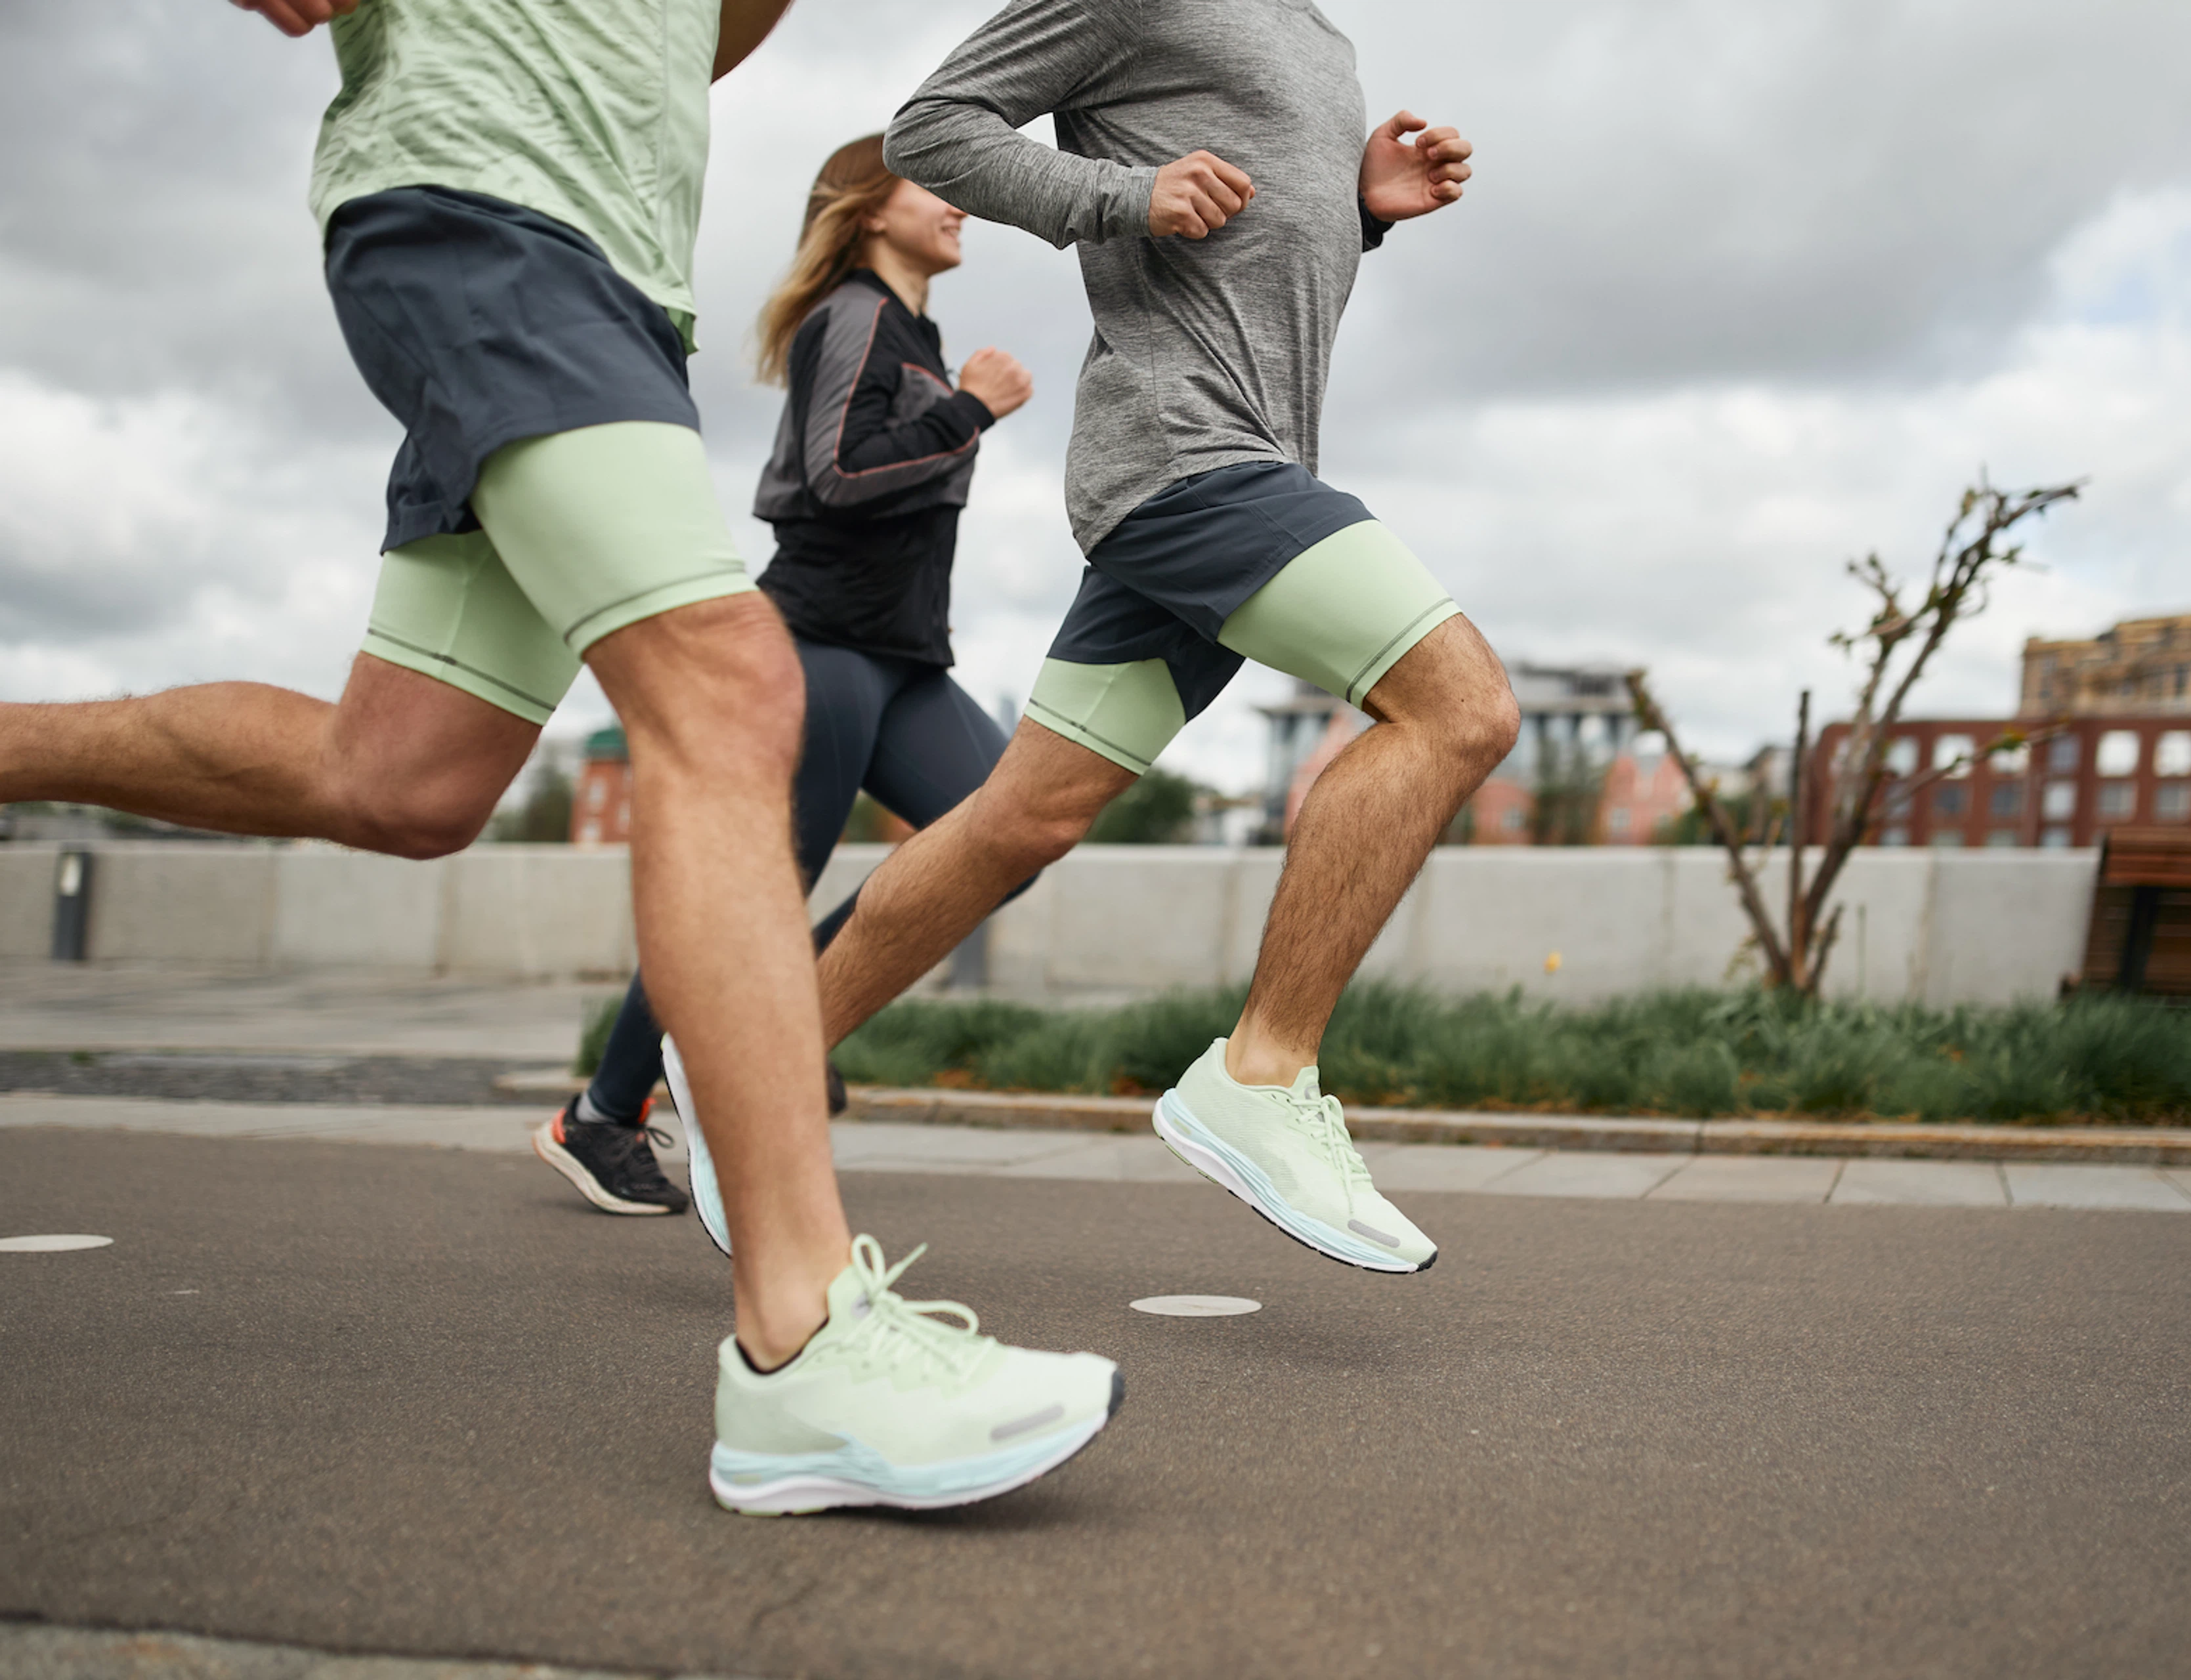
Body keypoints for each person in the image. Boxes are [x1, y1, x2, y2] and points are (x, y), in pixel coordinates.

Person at [11, 0, 1120, 1515]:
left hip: (610, 280)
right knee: (731, 690)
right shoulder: (863, 321)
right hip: (480, 205)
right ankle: (801, 1349)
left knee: (399, 779)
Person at [682, 0, 1520, 1276]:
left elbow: (1257, 260)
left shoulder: (1324, 44)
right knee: (1462, 709)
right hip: (1187, 463)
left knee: (1020, 819)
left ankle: (758, 1057)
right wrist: (1125, 195)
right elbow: (932, 129)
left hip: (1229, 465)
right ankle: (1262, 1071)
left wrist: (1361, 212)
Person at [536, 135, 1035, 1244]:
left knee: (1005, 831)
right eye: (933, 188)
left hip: (904, 656)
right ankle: (602, 1116)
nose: (958, 205)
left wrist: (953, 400)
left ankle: (791, 1022)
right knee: (755, 893)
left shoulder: (910, 328)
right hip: (819, 644)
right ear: (869, 211)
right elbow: (837, 476)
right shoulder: (852, 314)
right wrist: (969, 411)